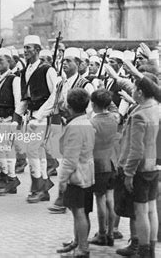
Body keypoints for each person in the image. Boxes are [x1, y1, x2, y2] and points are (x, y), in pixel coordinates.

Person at [117, 73, 159, 258]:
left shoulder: (140, 114)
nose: (132, 92)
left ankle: (144, 251)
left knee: (141, 211)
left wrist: (128, 173)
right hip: (153, 166)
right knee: (151, 209)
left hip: (140, 169)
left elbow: (136, 150)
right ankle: (150, 248)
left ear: (140, 93)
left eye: (134, 89)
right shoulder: (156, 108)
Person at [56, 88, 95, 258]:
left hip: (77, 175)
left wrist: (62, 179)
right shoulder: (86, 121)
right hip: (87, 173)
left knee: (78, 211)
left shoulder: (75, 126)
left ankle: (83, 248)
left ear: (70, 106)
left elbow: (70, 158)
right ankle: (77, 241)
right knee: (81, 211)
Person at [20, 35, 58, 203]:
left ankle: (38, 187)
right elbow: (25, 97)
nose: (26, 51)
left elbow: (55, 95)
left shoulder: (47, 69)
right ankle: (43, 187)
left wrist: (40, 115)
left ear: (37, 50)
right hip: (31, 116)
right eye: (25, 48)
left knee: (32, 150)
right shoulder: (25, 70)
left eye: (29, 48)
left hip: (42, 117)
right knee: (38, 153)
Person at [0, 48, 24, 195]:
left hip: (8, 119)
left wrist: (16, 121)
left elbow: (18, 102)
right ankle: (11, 180)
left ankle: (6, 178)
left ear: (9, 62)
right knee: (6, 151)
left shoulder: (14, 79)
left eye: (1, 60)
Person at [88, 89, 120, 247]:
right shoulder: (114, 119)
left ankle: (101, 233)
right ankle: (111, 232)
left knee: (99, 199)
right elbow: (114, 109)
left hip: (99, 164)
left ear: (93, 104)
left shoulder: (92, 123)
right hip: (112, 161)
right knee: (110, 198)